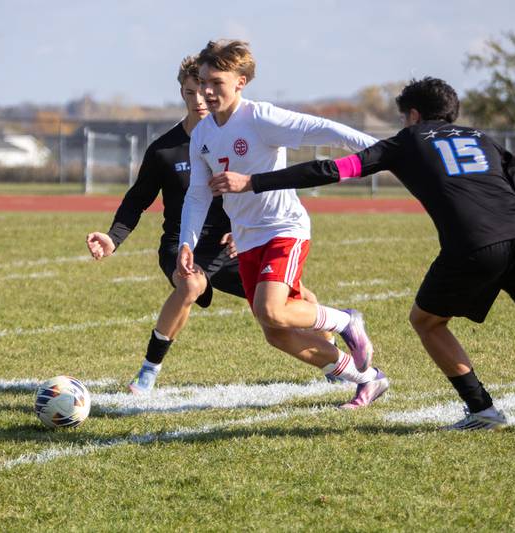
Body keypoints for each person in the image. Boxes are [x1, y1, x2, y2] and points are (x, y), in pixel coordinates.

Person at [209, 76, 515, 428]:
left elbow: (331, 170)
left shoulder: (406, 141)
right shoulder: (484, 140)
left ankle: (481, 408)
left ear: (412, 115)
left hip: (471, 245)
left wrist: (254, 182)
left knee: (426, 322)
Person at [86, 55, 339, 393]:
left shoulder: (233, 136)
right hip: (183, 243)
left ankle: (335, 359)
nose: (201, 99)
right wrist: (113, 238)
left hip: (233, 241)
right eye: (192, 92)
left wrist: (243, 230)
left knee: (296, 298)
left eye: (206, 89)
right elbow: (137, 199)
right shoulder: (165, 150)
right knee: (190, 285)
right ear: (182, 93)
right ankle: (148, 370)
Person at [177, 40, 389, 409]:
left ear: (241, 82)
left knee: (273, 311)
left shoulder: (260, 118)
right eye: (204, 82)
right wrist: (187, 243)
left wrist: (390, 153)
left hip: (282, 229)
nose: (207, 92)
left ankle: (347, 321)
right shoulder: (202, 135)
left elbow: (325, 129)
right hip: (246, 238)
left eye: (217, 83)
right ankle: (369, 379)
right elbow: (197, 195)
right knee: (275, 331)